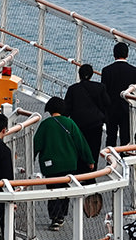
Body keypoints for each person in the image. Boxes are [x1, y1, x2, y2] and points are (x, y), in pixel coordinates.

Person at [33, 96, 94, 231]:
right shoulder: (69, 123)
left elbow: (36, 145)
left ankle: (55, 217)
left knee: (53, 191)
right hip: (69, 164)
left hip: (51, 166)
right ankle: (61, 216)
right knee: (65, 190)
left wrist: (30, 158)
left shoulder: (45, 124)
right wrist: (89, 160)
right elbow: (81, 143)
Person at [63, 63, 110, 165]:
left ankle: (80, 173)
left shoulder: (73, 89)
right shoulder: (100, 87)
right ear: (92, 74)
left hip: (78, 124)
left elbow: (66, 109)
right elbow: (107, 103)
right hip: (95, 123)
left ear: (79, 74)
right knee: (94, 148)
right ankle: (92, 174)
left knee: (79, 148)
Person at [101, 41, 136, 147]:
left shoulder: (106, 71)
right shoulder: (135, 71)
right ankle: (124, 160)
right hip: (127, 109)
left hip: (111, 109)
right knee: (126, 138)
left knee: (111, 137)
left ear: (114, 54)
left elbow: (104, 92)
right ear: (127, 54)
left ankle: (110, 160)